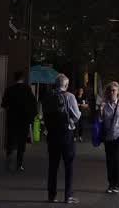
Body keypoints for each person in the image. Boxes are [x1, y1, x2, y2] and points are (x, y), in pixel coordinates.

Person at [42, 74, 81, 204]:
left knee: (53, 166)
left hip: (52, 135)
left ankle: (51, 195)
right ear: (66, 85)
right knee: (68, 165)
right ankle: (68, 196)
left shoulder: (48, 97)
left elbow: (44, 115)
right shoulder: (69, 97)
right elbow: (76, 116)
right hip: (66, 135)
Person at [0, 71, 36, 173]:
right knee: (22, 142)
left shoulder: (9, 90)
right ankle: (19, 164)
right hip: (23, 120)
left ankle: (8, 160)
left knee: (10, 140)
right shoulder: (27, 89)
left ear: (14, 79)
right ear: (23, 79)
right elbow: (33, 104)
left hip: (12, 119)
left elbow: (4, 104)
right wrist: (31, 118)